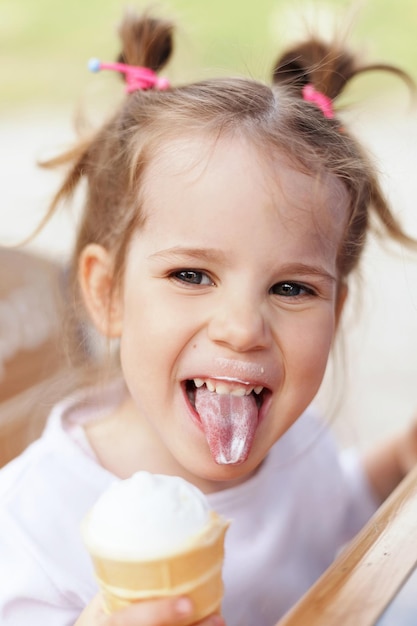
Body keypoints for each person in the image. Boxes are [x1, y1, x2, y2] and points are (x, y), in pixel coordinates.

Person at [1, 9, 417, 626]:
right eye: (191, 276)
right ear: (108, 293)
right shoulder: (33, 524)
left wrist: (396, 461)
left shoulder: (298, 443)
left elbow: (332, 526)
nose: (243, 327)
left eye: (292, 288)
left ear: (338, 313)